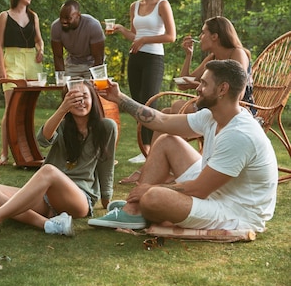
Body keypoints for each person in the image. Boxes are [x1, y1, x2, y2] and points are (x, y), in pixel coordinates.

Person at [88, 59, 277, 232]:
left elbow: (198, 189)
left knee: (153, 198)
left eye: (204, 83)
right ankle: (134, 210)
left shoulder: (239, 135)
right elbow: (160, 121)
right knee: (166, 141)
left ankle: (142, 205)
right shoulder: (211, 116)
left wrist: (151, 190)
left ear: (222, 89)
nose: (198, 88)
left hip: (236, 211)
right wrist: (118, 97)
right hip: (216, 192)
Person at [0, 81, 117, 242]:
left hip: (80, 198)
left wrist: (106, 198)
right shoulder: (62, 124)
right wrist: (63, 110)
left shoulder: (106, 127)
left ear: (93, 99)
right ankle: (49, 225)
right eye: (73, 97)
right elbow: (43, 140)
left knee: (49, 171)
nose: (80, 102)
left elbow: (106, 164)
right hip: (48, 197)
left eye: (84, 97)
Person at [119, 15, 255, 184]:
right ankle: (151, 166)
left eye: (203, 32)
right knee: (166, 111)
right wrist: (188, 55)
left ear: (215, 36)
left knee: (177, 106)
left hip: (237, 109)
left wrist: (205, 87)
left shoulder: (238, 54)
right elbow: (184, 81)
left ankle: (163, 167)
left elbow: (237, 94)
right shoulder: (213, 58)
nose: (200, 37)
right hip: (213, 106)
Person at [114, 0, 176, 164]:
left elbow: (171, 36)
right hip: (135, 58)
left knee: (149, 102)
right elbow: (135, 36)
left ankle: (149, 149)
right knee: (137, 103)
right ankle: (144, 147)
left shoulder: (162, 5)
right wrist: (122, 30)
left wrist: (145, 39)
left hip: (153, 59)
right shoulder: (134, 6)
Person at [0, 0, 45, 166]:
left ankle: (25, 151)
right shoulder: (4, 16)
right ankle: (5, 153)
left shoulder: (33, 16)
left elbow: (39, 40)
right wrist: (2, 68)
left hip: (31, 63)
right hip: (12, 61)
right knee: (11, 108)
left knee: (26, 109)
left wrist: (41, 50)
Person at [50, 0, 105, 79]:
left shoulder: (93, 25)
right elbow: (58, 56)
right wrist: (61, 79)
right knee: (68, 89)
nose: (64, 21)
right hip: (72, 64)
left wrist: (94, 79)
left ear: (78, 16)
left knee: (95, 89)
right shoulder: (56, 27)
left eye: (68, 18)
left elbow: (98, 57)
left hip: (92, 64)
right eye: (61, 18)